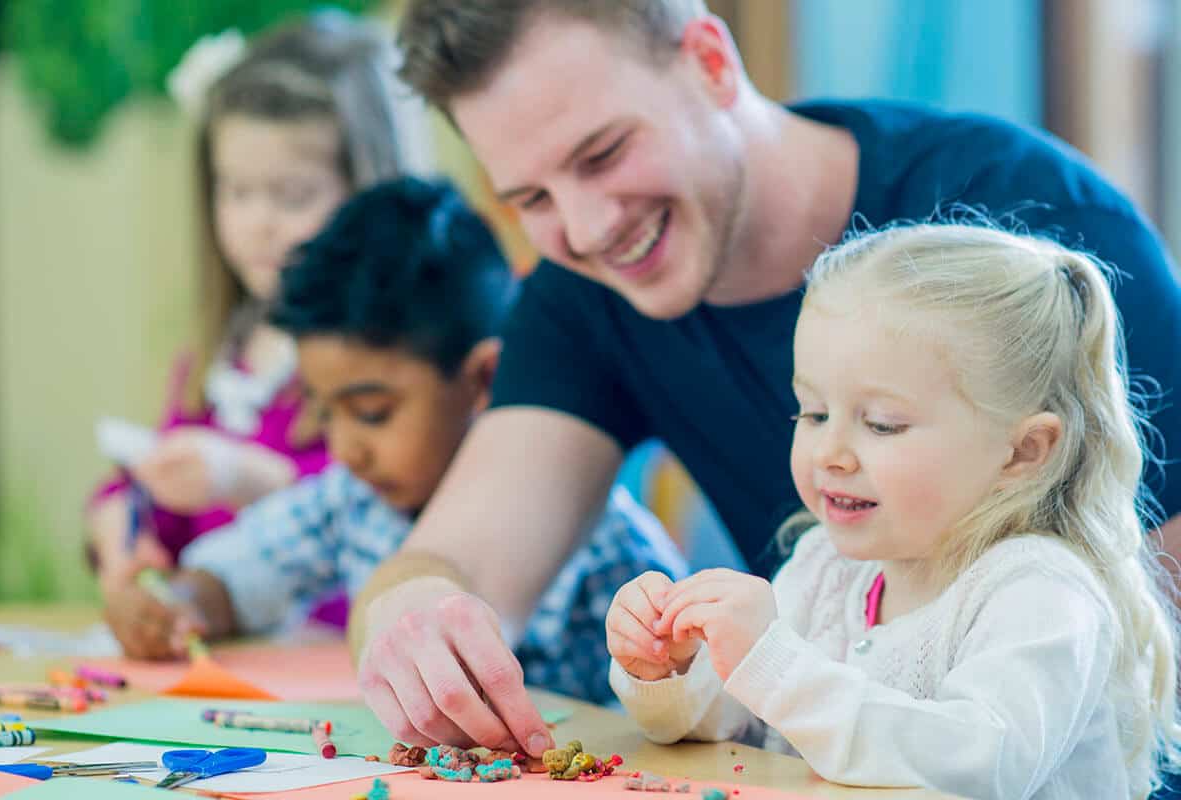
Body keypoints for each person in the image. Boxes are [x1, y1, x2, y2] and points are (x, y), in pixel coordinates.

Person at [352, 0, 1181, 757]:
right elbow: (451, 560)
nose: (586, 226)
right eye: (529, 197)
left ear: (711, 61)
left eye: (603, 153)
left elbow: (1115, 651)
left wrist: (790, 674)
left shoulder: (1032, 226)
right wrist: (410, 621)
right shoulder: (587, 292)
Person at [607, 224, 1181, 799]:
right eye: (812, 414)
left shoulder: (1044, 594)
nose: (830, 453)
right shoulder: (826, 566)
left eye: (882, 423)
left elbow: (980, 769)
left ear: (1023, 452)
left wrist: (773, 662)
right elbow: (732, 723)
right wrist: (670, 670)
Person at [102, 177, 687, 709]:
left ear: (483, 379)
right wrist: (176, 604)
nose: (346, 447)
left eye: (372, 413)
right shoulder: (352, 502)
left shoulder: (606, 547)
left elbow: (688, 707)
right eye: (324, 412)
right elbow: (241, 574)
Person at [86, 14, 417, 625]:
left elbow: (385, 525)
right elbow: (160, 497)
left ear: (369, 192)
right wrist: (124, 531)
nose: (257, 223)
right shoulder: (223, 355)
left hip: (345, 666)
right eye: (235, 192)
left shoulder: (398, 363)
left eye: (292, 196)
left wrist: (242, 476)